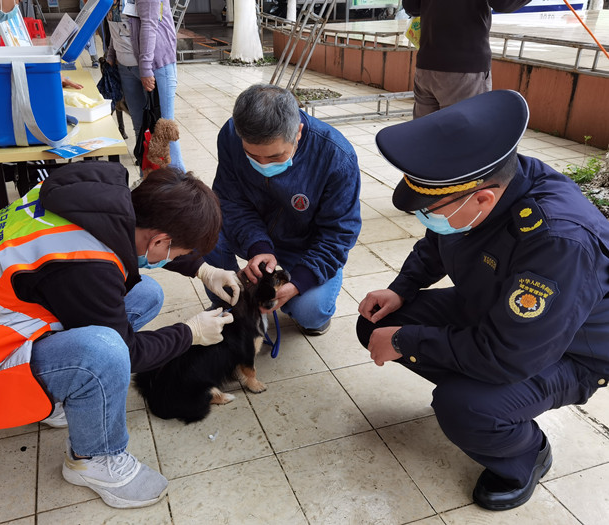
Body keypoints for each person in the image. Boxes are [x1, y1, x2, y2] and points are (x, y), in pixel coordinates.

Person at [0, 161, 243, 509]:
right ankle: (93, 459)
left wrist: (203, 269)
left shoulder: (93, 193)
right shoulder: (86, 266)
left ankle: (62, 392)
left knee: (146, 294)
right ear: (160, 240)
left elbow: (135, 247)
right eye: (181, 252)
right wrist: (190, 333)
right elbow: (127, 353)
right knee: (106, 353)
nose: (179, 258)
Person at [356, 90, 609, 511]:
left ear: (482, 199)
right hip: (492, 308)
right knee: (376, 323)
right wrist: (401, 288)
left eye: (429, 209)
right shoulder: (484, 185)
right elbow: (438, 240)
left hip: (570, 351)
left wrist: (408, 342)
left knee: (464, 406)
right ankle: (484, 395)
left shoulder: (557, 241)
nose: (426, 217)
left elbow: (510, 354)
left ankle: (525, 454)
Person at [204, 84, 362, 336]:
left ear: (298, 132)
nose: (262, 165)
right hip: (252, 233)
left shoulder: (335, 156)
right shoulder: (231, 134)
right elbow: (231, 201)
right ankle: (229, 298)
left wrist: (298, 282)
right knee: (204, 226)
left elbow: (338, 234)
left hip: (303, 246)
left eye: (276, 157)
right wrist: (258, 246)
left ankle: (306, 300)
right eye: (252, 156)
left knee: (312, 312)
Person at [402, 0, 530, 118]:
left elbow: (411, 6)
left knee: (423, 135)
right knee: (462, 136)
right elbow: (503, 3)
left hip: (426, 65)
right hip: (464, 69)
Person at [128, 0, 185, 170]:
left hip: (156, 63)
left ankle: (179, 184)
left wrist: (145, 68)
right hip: (130, 65)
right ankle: (149, 181)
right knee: (142, 128)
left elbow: (149, 24)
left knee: (165, 130)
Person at [106, 0, 147, 141]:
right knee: (136, 118)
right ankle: (141, 156)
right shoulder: (110, 3)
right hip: (123, 66)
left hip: (143, 66)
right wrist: (110, 55)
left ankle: (157, 159)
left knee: (153, 118)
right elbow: (115, 30)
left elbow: (149, 28)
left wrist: (146, 67)